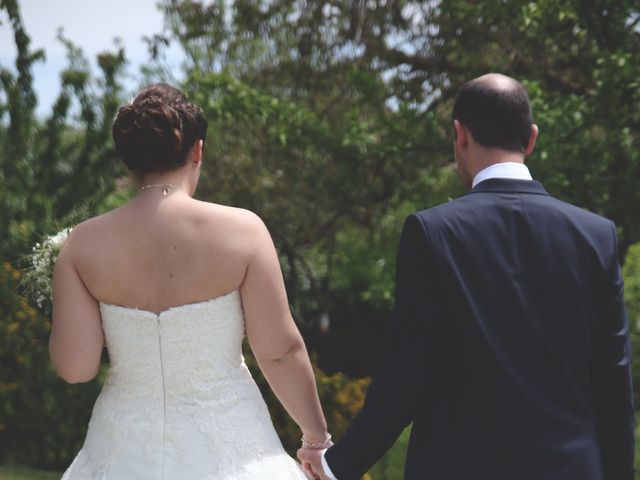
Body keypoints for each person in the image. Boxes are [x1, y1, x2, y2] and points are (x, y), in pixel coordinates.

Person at [298, 73, 635, 480]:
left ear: (459, 135)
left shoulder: (433, 232)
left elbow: (407, 376)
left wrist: (338, 465)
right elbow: (613, 386)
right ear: (531, 139)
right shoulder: (596, 235)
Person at [51, 84, 331, 479]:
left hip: (121, 452)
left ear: (129, 162)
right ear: (197, 150)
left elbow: (76, 367)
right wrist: (316, 439)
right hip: (229, 450)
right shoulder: (242, 231)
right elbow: (279, 351)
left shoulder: (81, 244)